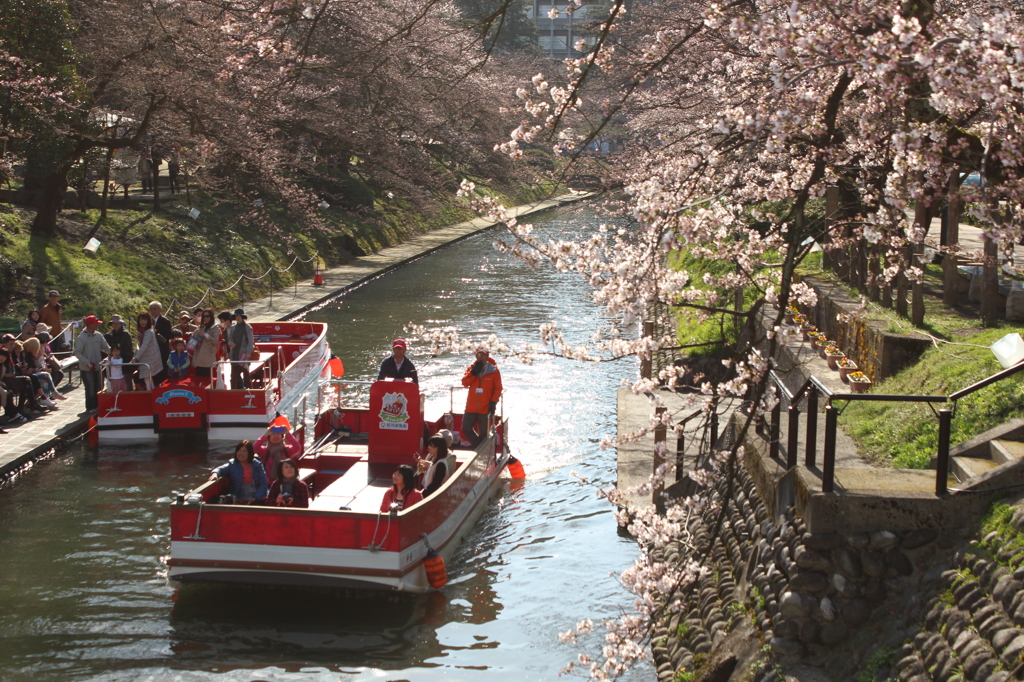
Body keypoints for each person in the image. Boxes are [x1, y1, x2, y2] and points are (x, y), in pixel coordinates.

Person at [460, 345, 503, 447]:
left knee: (484, 434)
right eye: (478, 355)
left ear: (487, 356)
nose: (480, 357)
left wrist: (493, 402)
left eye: (483, 355)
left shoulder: (494, 371)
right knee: (465, 429)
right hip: (471, 407)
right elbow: (465, 383)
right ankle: (481, 448)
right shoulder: (471, 369)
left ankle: (481, 450)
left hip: (485, 408)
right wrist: (473, 373)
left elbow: (498, 388)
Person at [208, 440, 268, 504]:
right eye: (239, 451)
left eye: (244, 451)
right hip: (237, 497)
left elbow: (263, 484)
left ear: (250, 453)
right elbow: (219, 469)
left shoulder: (257, 465)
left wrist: (255, 497)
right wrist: (215, 474)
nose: (240, 453)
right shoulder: (233, 464)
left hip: (254, 496)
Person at [74, 315, 110, 411]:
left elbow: (105, 347)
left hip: (98, 367)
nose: (97, 326)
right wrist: (87, 362)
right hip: (86, 368)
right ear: (89, 325)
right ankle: (90, 407)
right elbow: (77, 352)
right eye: (95, 324)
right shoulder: (81, 338)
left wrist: (115, 353)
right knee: (90, 388)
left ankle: (98, 405)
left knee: (99, 386)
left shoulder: (98, 335)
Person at [21, 337, 63, 404]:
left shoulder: (29, 353)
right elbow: (25, 368)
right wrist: (35, 369)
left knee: (48, 377)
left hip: (33, 371)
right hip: (25, 374)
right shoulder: (23, 353)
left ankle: (45, 397)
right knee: (45, 375)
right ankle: (50, 395)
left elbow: (35, 365)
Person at [190, 308, 220, 385]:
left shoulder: (215, 328)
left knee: (207, 381)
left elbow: (215, 342)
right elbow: (192, 339)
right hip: (199, 356)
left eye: (207, 316)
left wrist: (205, 335)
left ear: (211, 317)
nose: (205, 318)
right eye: (204, 316)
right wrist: (196, 342)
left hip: (208, 357)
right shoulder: (201, 327)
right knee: (198, 379)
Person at [104, 315, 135, 386]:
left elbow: (129, 350)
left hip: (125, 364)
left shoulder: (126, 334)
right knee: (113, 384)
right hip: (113, 363)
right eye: (114, 323)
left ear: (121, 324)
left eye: (117, 323)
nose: (115, 325)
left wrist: (121, 359)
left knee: (126, 384)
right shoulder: (108, 335)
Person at [227, 308, 254, 389]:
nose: (238, 318)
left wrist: (249, 352)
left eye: (239, 316)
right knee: (234, 375)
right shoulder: (233, 327)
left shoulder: (247, 327)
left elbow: (250, 341)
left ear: (242, 317)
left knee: (246, 374)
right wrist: (231, 343)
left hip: (244, 354)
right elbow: (229, 339)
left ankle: (249, 390)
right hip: (235, 353)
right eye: (236, 316)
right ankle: (234, 390)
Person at [134, 312, 161, 391]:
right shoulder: (141, 333)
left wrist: (136, 357)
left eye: (145, 320)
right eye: (141, 320)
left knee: (148, 379)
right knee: (147, 379)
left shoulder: (149, 332)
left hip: (150, 359)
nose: (143, 322)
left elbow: (144, 346)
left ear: (148, 321)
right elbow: (138, 346)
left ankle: (150, 395)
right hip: (145, 359)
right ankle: (150, 393)